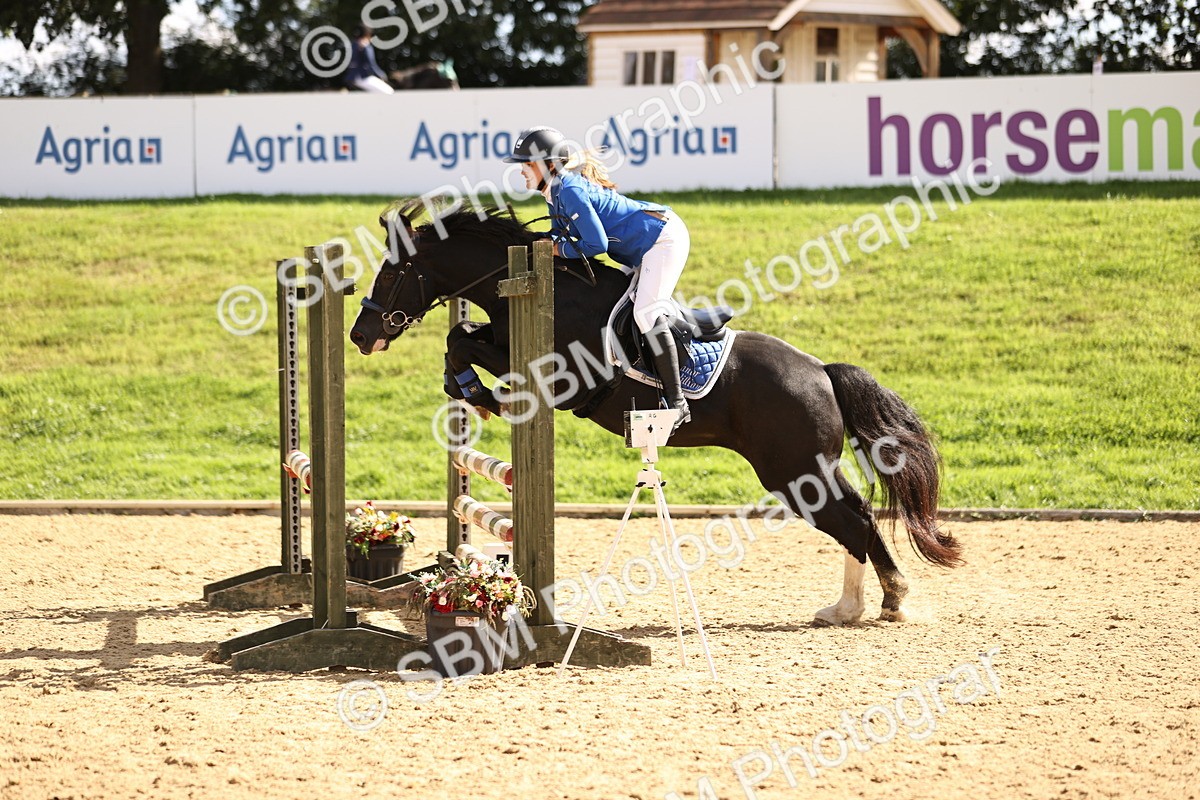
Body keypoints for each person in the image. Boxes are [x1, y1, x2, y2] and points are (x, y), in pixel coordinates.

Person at [503, 126, 692, 433]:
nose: (523, 171)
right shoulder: (555, 192)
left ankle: (677, 403)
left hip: (662, 239)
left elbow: (595, 245)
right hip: (642, 248)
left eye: (528, 164)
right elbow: (558, 238)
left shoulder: (569, 190)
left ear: (549, 165)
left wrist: (553, 248)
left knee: (646, 312)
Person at [344, 26, 393, 94]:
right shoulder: (365, 45)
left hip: (351, 77)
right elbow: (371, 64)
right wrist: (381, 75)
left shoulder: (352, 45)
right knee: (389, 92)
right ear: (367, 34)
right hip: (362, 77)